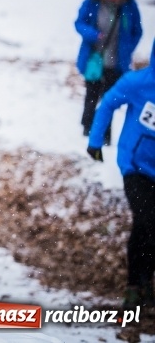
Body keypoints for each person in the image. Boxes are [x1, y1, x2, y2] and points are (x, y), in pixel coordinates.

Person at [87, 37, 155, 309]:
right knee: (147, 220)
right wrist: (95, 141)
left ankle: (144, 283)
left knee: (148, 226)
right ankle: (134, 286)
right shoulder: (138, 82)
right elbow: (107, 104)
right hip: (134, 166)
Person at [75, 0, 142, 144]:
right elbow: (79, 23)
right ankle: (87, 128)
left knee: (109, 100)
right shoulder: (93, 1)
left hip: (117, 62)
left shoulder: (130, 6)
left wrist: (127, 48)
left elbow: (137, 31)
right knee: (91, 94)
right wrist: (92, 34)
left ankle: (105, 134)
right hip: (95, 58)